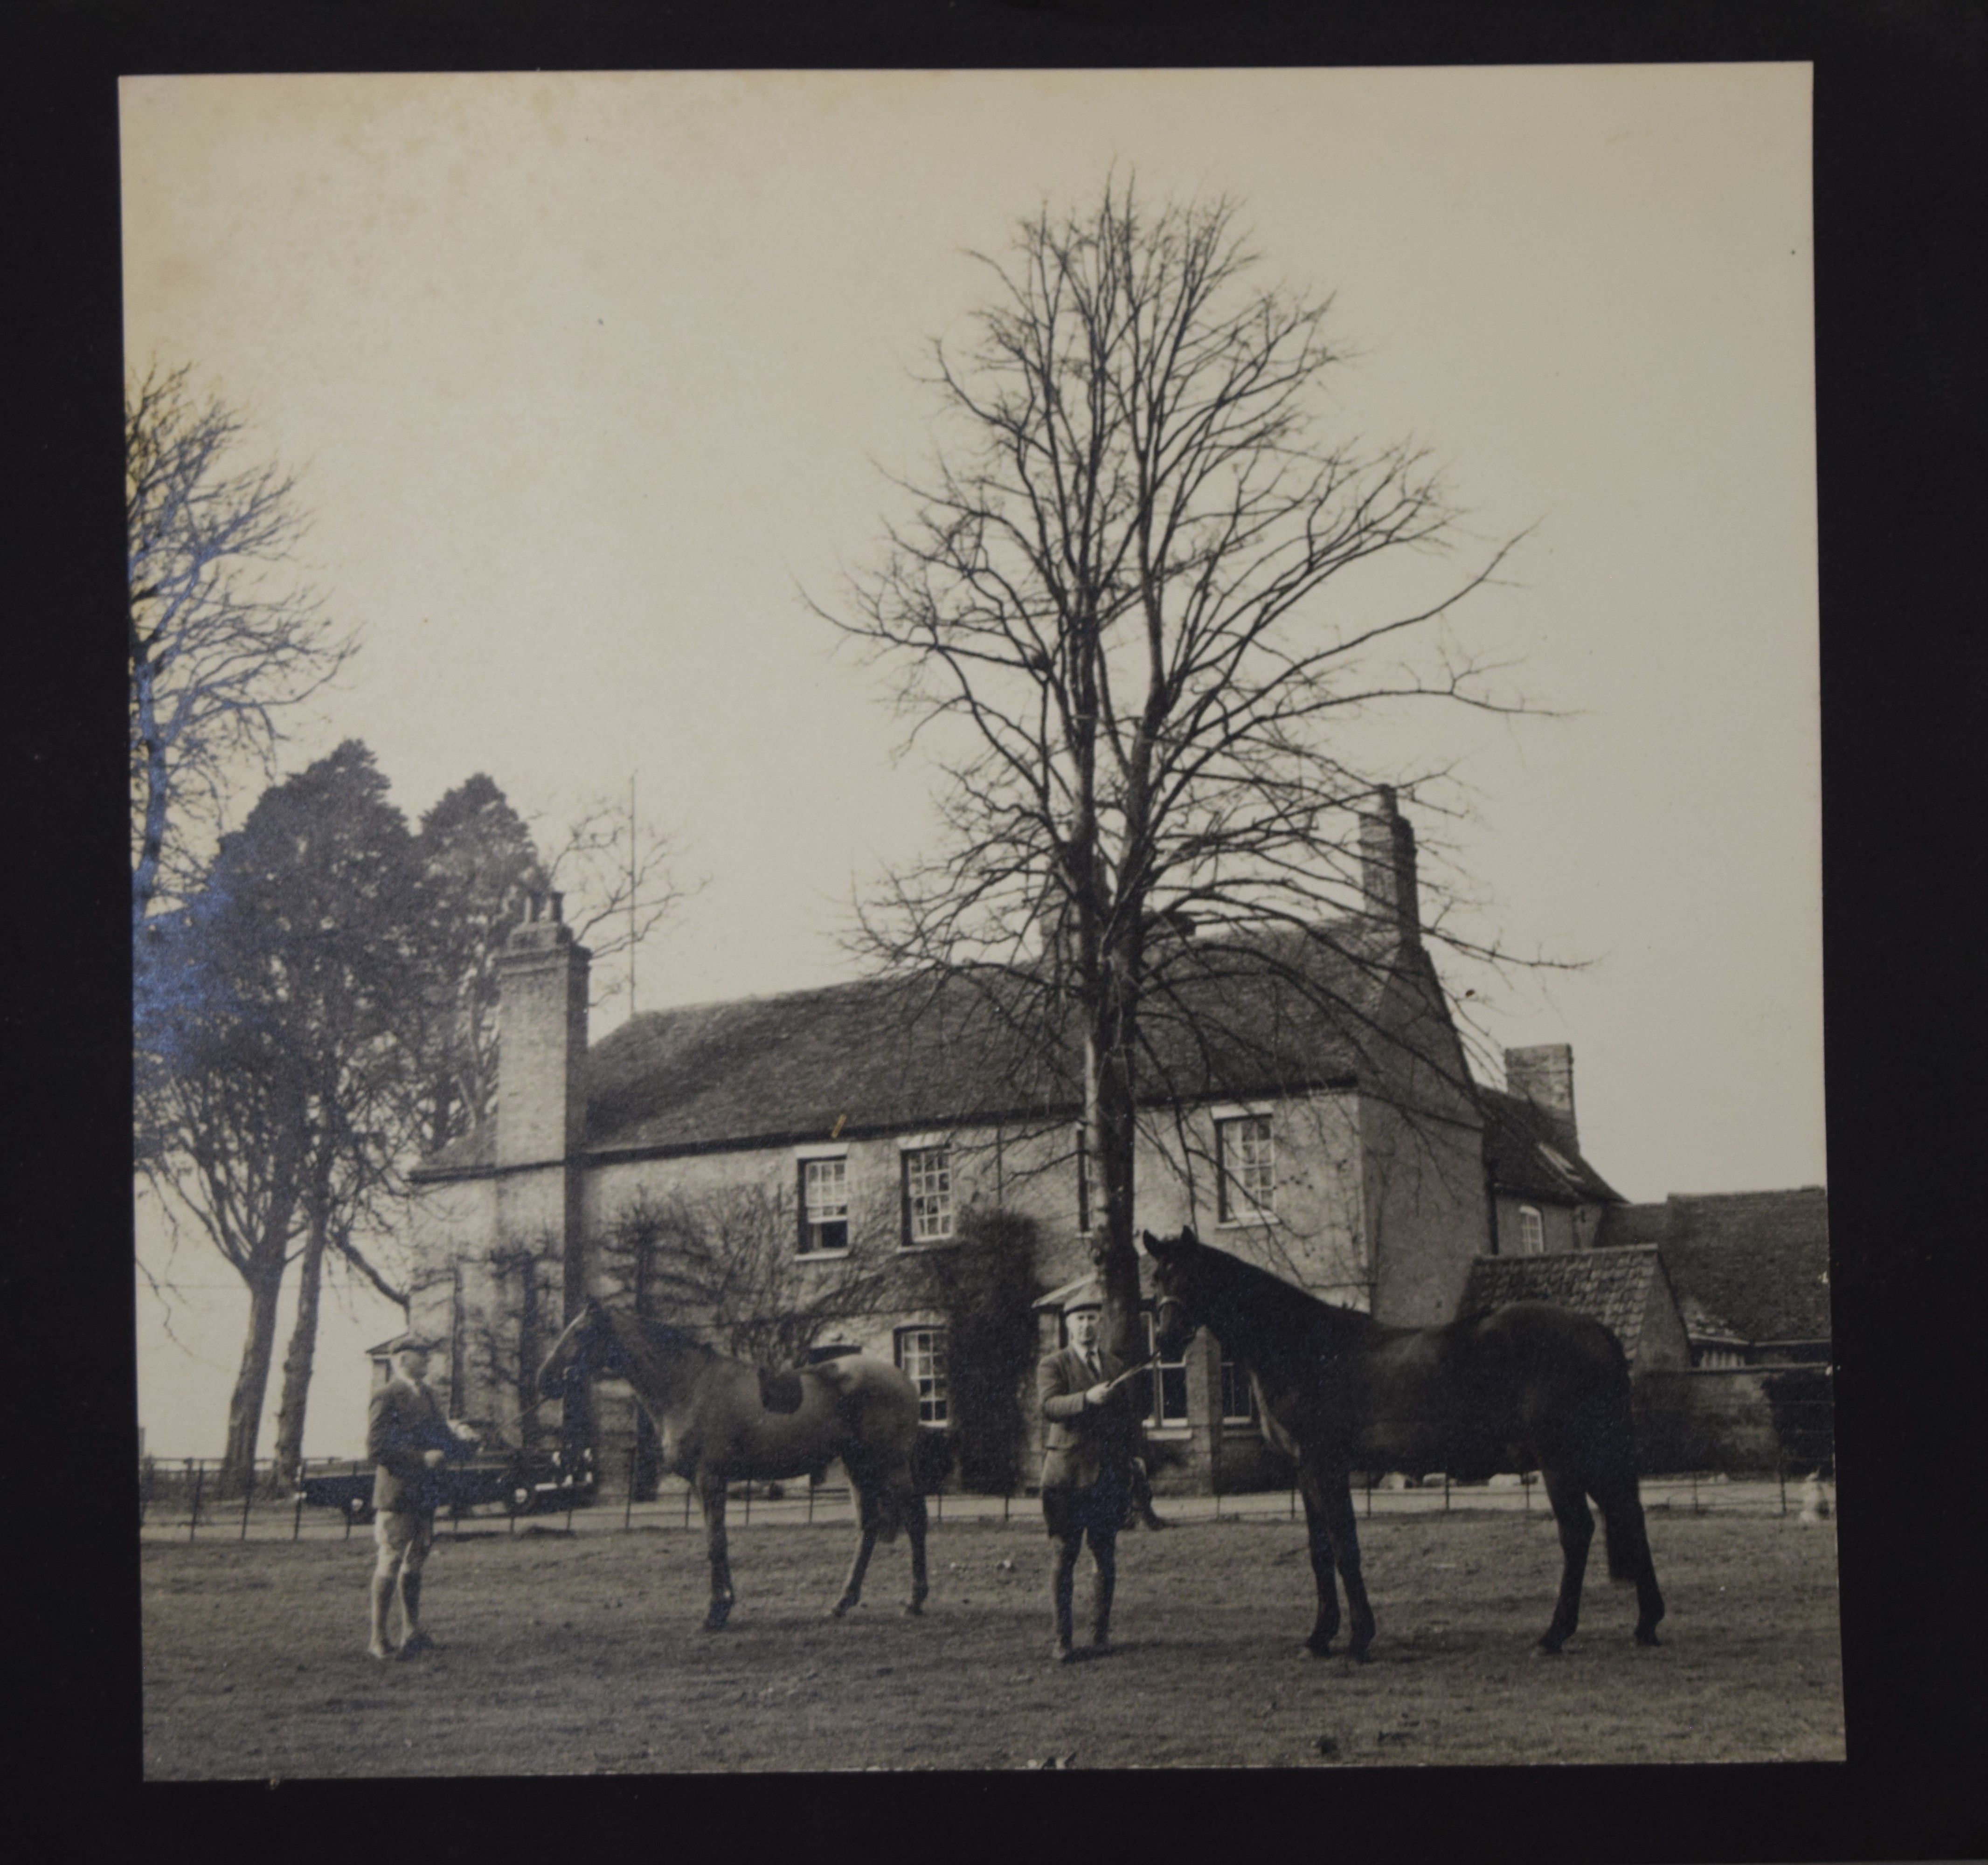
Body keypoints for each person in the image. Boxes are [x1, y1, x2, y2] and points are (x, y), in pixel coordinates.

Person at [1038, 1306, 1143, 1665]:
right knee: (1064, 1555)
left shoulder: (1115, 1366)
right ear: (1068, 1325)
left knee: (1105, 1553)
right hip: (1067, 1476)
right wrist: (1086, 1399)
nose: (1086, 1326)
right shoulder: (1054, 1364)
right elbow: (1049, 1405)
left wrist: (1135, 1456)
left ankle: (1100, 1637)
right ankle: (1062, 1642)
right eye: (1079, 1320)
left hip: (1107, 1476)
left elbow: (1129, 1417)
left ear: (1101, 1323)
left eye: (1092, 1319)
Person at [367, 1334, 474, 1661]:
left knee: (415, 1564)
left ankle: (411, 1631)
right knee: (390, 1561)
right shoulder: (386, 1396)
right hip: (398, 1496)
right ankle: (378, 1639)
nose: (428, 1360)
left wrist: (467, 1442)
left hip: (424, 1495)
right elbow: (377, 1449)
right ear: (402, 1360)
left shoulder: (427, 1395)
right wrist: (421, 1459)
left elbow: (441, 1438)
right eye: (421, 1356)